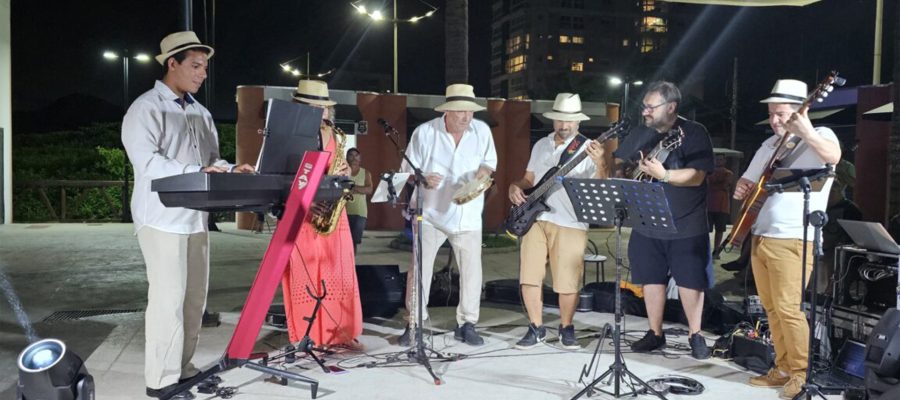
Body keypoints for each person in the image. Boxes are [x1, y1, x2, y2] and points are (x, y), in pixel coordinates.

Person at [122, 31, 254, 399]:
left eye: (206, 67)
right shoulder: (146, 108)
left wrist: (230, 169)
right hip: (161, 218)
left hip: (196, 218)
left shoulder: (200, 112)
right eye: (195, 66)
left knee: (194, 300)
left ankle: (183, 370)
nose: (202, 73)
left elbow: (210, 162)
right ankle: (160, 382)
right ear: (172, 64)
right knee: (168, 301)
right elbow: (147, 161)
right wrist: (198, 170)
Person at [735, 79, 841, 398]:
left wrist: (805, 130)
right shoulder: (769, 145)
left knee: (789, 308)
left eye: (781, 114)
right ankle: (781, 367)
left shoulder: (819, 136)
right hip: (762, 235)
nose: (775, 120)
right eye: (771, 114)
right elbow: (749, 180)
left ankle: (799, 371)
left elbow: (833, 156)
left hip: (794, 237)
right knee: (771, 308)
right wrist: (742, 187)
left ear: (800, 111)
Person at [595, 81, 715, 360]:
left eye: (651, 107)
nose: (645, 111)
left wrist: (665, 176)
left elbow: (698, 175)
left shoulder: (693, 133)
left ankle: (695, 334)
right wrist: (603, 162)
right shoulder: (639, 133)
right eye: (644, 106)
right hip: (645, 220)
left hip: (685, 222)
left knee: (690, 281)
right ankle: (655, 332)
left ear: (671, 107)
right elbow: (620, 171)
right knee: (650, 279)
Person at [398, 83, 497, 346]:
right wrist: (422, 178)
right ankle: (415, 324)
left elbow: (489, 163)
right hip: (430, 213)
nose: (467, 117)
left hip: (468, 215)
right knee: (418, 270)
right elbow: (406, 170)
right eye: (461, 112)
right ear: (447, 111)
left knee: (472, 272)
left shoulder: (482, 131)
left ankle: (467, 323)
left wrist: (482, 175)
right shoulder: (424, 132)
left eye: (470, 112)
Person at [508, 93, 606, 350]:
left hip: (571, 221)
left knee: (567, 280)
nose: (564, 126)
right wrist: (515, 186)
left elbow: (601, 188)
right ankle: (536, 327)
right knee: (529, 276)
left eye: (569, 121)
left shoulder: (588, 149)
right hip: (535, 218)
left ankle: (566, 327)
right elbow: (529, 179)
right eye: (559, 120)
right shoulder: (541, 144)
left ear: (579, 123)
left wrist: (602, 164)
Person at [281, 80, 363, 349]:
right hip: (302, 215)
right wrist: (305, 198)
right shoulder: (287, 134)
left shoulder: (334, 135)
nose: (322, 112)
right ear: (300, 108)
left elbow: (343, 170)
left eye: (324, 106)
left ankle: (341, 333)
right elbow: (280, 175)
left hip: (331, 214)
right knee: (307, 276)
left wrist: (343, 173)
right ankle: (309, 337)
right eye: (315, 106)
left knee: (338, 272)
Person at [345, 148, 373, 253]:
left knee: (354, 242)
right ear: (346, 157)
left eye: (356, 155)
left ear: (360, 158)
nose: (354, 157)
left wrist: (351, 187)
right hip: (342, 212)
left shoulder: (366, 173)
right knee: (344, 241)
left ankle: (352, 265)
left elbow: (369, 189)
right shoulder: (342, 172)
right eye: (351, 155)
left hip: (359, 212)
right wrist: (360, 189)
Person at [708, 155, 733, 259]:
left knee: (720, 229)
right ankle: (706, 250)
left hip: (722, 206)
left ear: (725, 161)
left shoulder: (728, 173)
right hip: (708, 205)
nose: (718, 161)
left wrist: (713, 184)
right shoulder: (708, 172)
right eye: (717, 159)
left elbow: (725, 185)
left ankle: (716, 250)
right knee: (705, 230)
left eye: (721, 159)